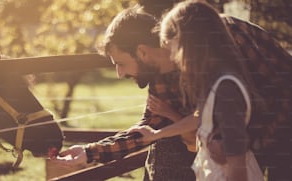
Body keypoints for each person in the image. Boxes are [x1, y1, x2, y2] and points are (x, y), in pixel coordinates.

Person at [129, 0, 292, 180]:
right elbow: (199, 119)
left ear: (188, 44)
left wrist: (243, 145)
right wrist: (156, 135)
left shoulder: (225, 89)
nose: (173, 57)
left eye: (173, 47)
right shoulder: (212, 85)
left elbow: (237, 167)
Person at [50, 5, 197, 181]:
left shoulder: (199, 64)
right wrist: (89, 152)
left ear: (142, 51)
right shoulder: (158, 79)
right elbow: (145, 130)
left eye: (121, 63)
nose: (120, 74)